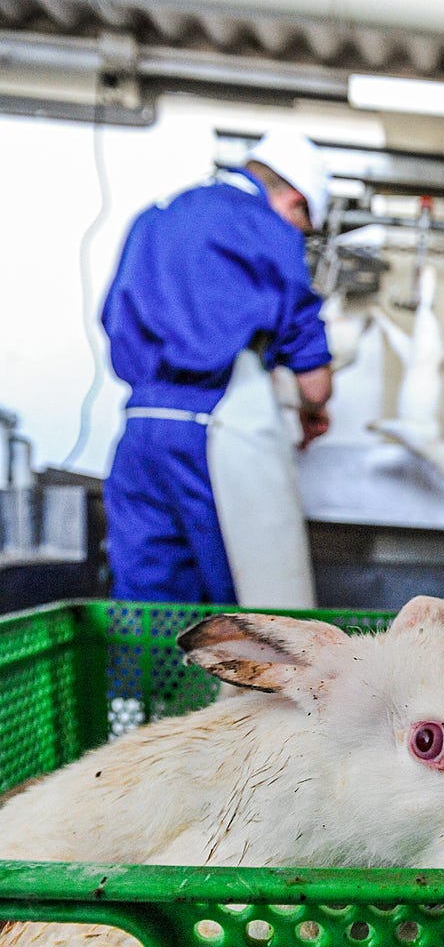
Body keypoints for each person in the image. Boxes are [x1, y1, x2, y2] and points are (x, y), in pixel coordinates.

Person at [101, 127, 333, 607]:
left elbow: (114, 316)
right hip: (214, 434)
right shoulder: (269, 231)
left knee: (146, 598)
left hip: (140, 428)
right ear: (293, 201)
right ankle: (222, 688)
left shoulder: (156, 217)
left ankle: (134, 686)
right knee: (241, 602)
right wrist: (313, 407)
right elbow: (315, 381)